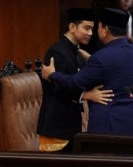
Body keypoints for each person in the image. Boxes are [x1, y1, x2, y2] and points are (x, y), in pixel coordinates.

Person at [42, 8, 133, 137]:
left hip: (110, 127)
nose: (92, 33)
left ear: (105, 30)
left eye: (96, 28)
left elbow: (75, 82)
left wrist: (53, 75)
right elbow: (115, 67)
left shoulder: (101, 57)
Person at [36, 8, 113, 152]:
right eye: (86, 28)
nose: (90, 33)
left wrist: (92, 60)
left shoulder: (76, 51)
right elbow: (57, 87)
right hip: (56, 126)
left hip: (71, 125)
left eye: (92, 29)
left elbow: (81, 80)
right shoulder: (58, 51)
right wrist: (86, 95)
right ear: (72, 27)